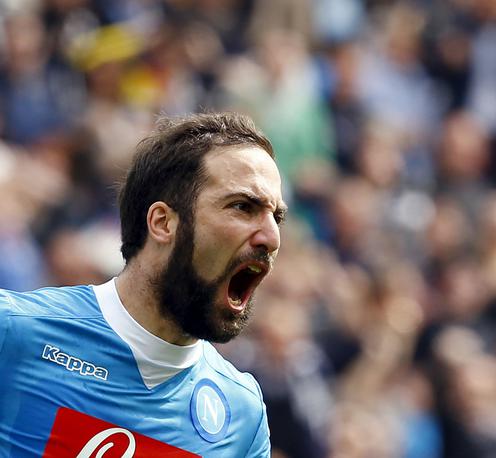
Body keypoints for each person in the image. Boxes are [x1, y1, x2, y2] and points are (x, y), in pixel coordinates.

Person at [0, 112, 288, 457]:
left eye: (277, 216)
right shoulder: (16, 332)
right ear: (163, 223)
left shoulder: (243, 415)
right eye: (242, 206)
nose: (272, 236)